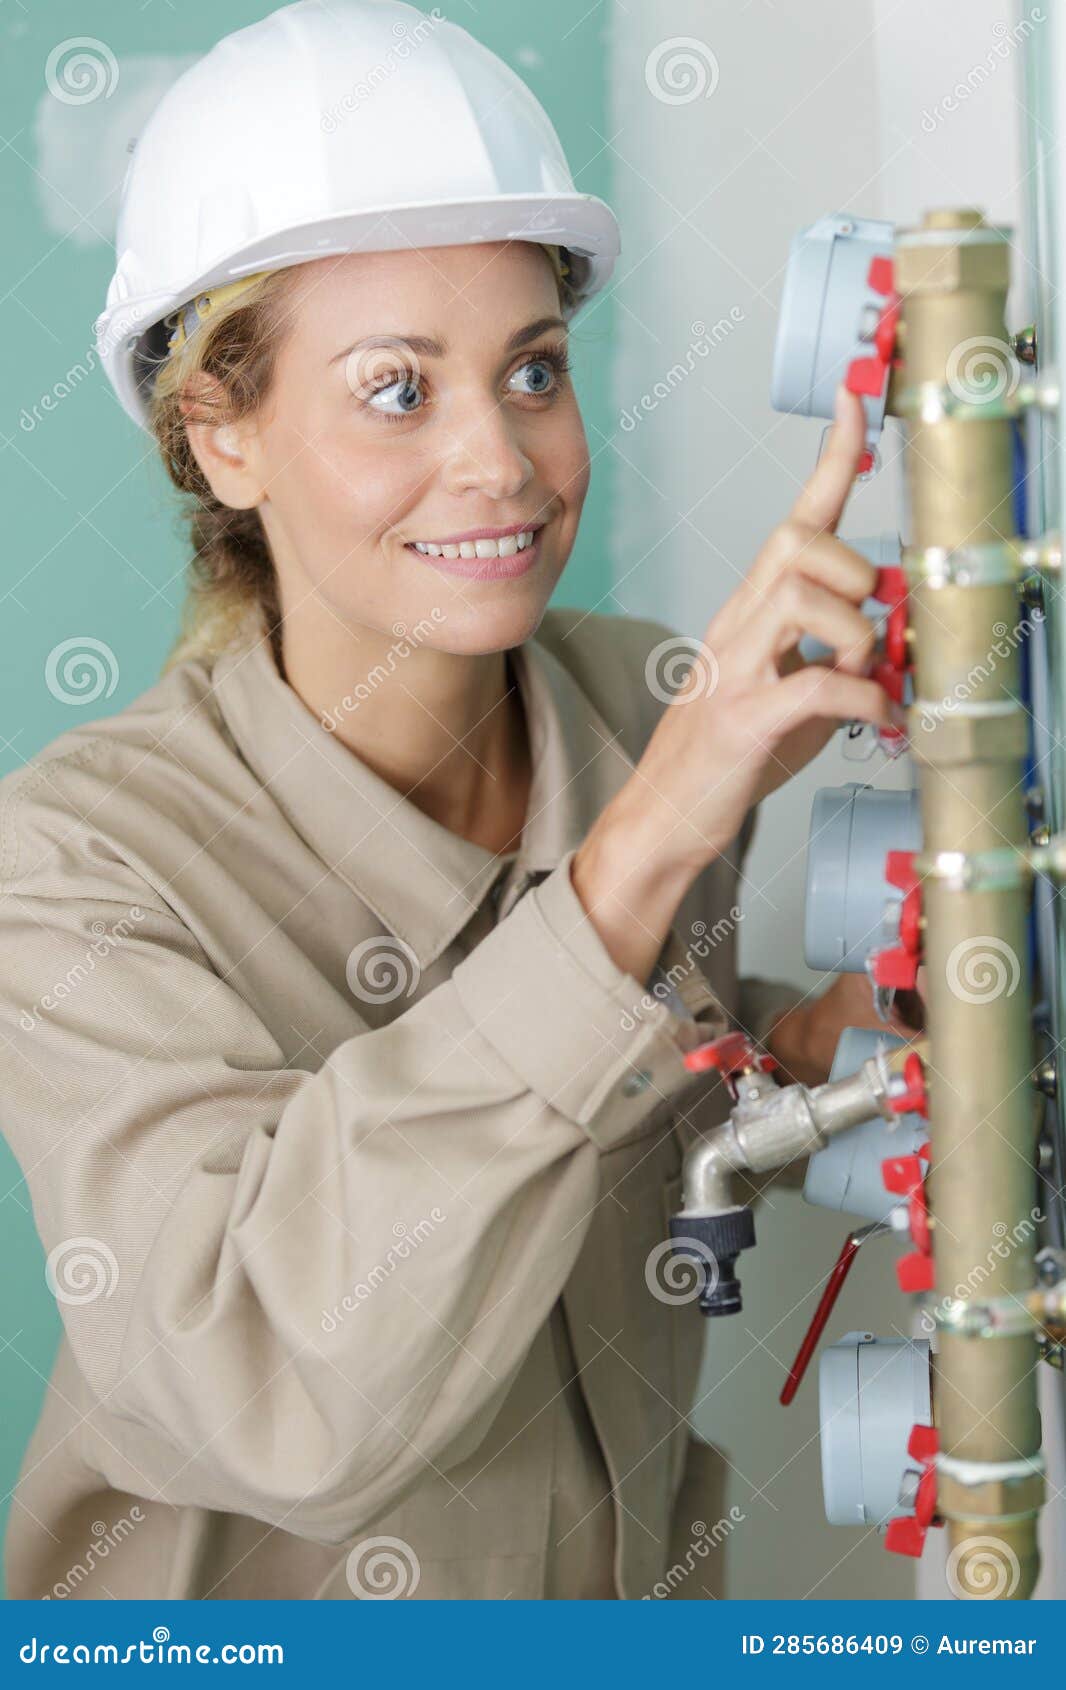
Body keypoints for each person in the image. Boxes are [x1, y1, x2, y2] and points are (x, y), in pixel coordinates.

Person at [0, 0, 910, 1601]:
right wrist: (647, 843)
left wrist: (810, 1042)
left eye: (532, 370)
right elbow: (277, 1384)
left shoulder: (638, 707)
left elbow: (609, 1094)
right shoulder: (76, 864)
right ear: (221, 438)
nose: (499, 458)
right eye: (396, 391)